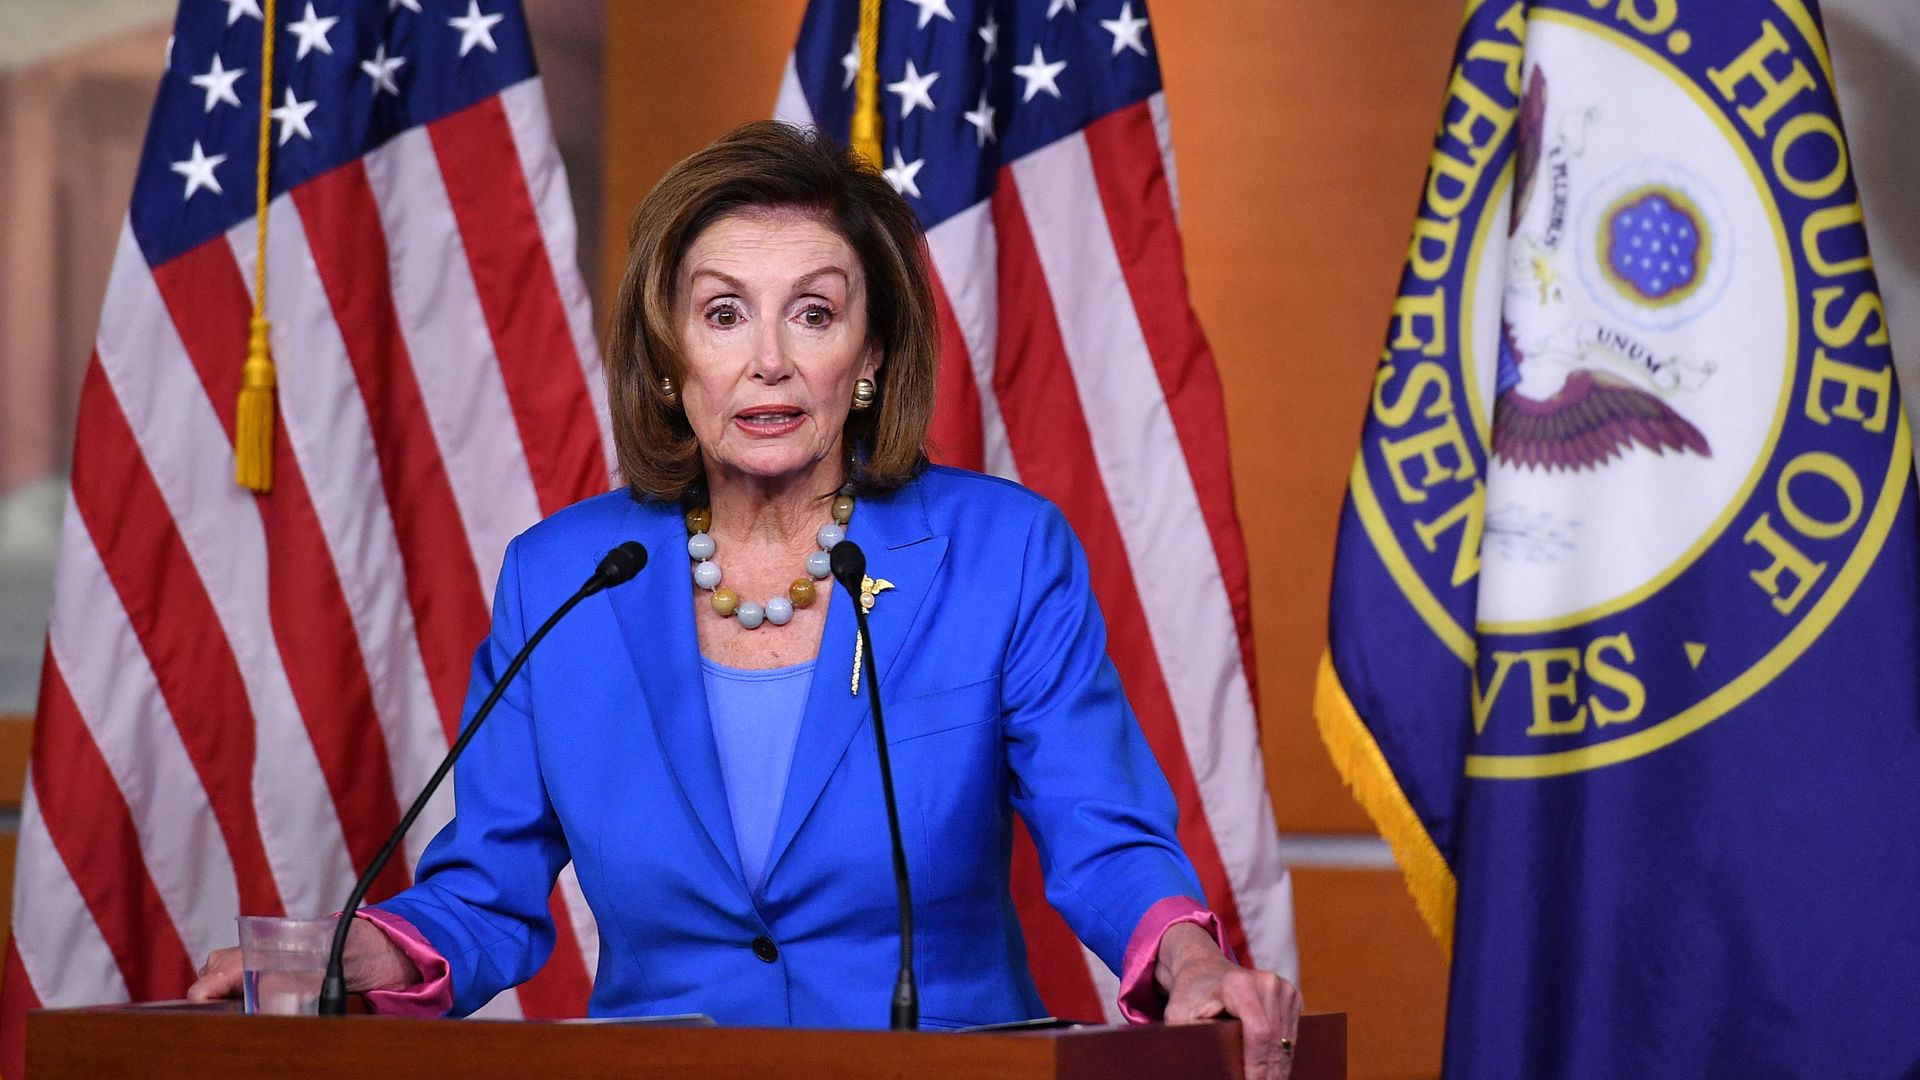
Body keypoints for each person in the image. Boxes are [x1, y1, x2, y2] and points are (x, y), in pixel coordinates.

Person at [191, 121, 1301, 1078]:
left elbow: (1102, 836)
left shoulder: (1001, 553)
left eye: (813, 315)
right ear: (672, 356)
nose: (768, 361)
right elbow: (486, 888)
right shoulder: (564, 576)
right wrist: (366, 952)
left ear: (869, 357)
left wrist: (1190, 961)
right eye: (724, 315)